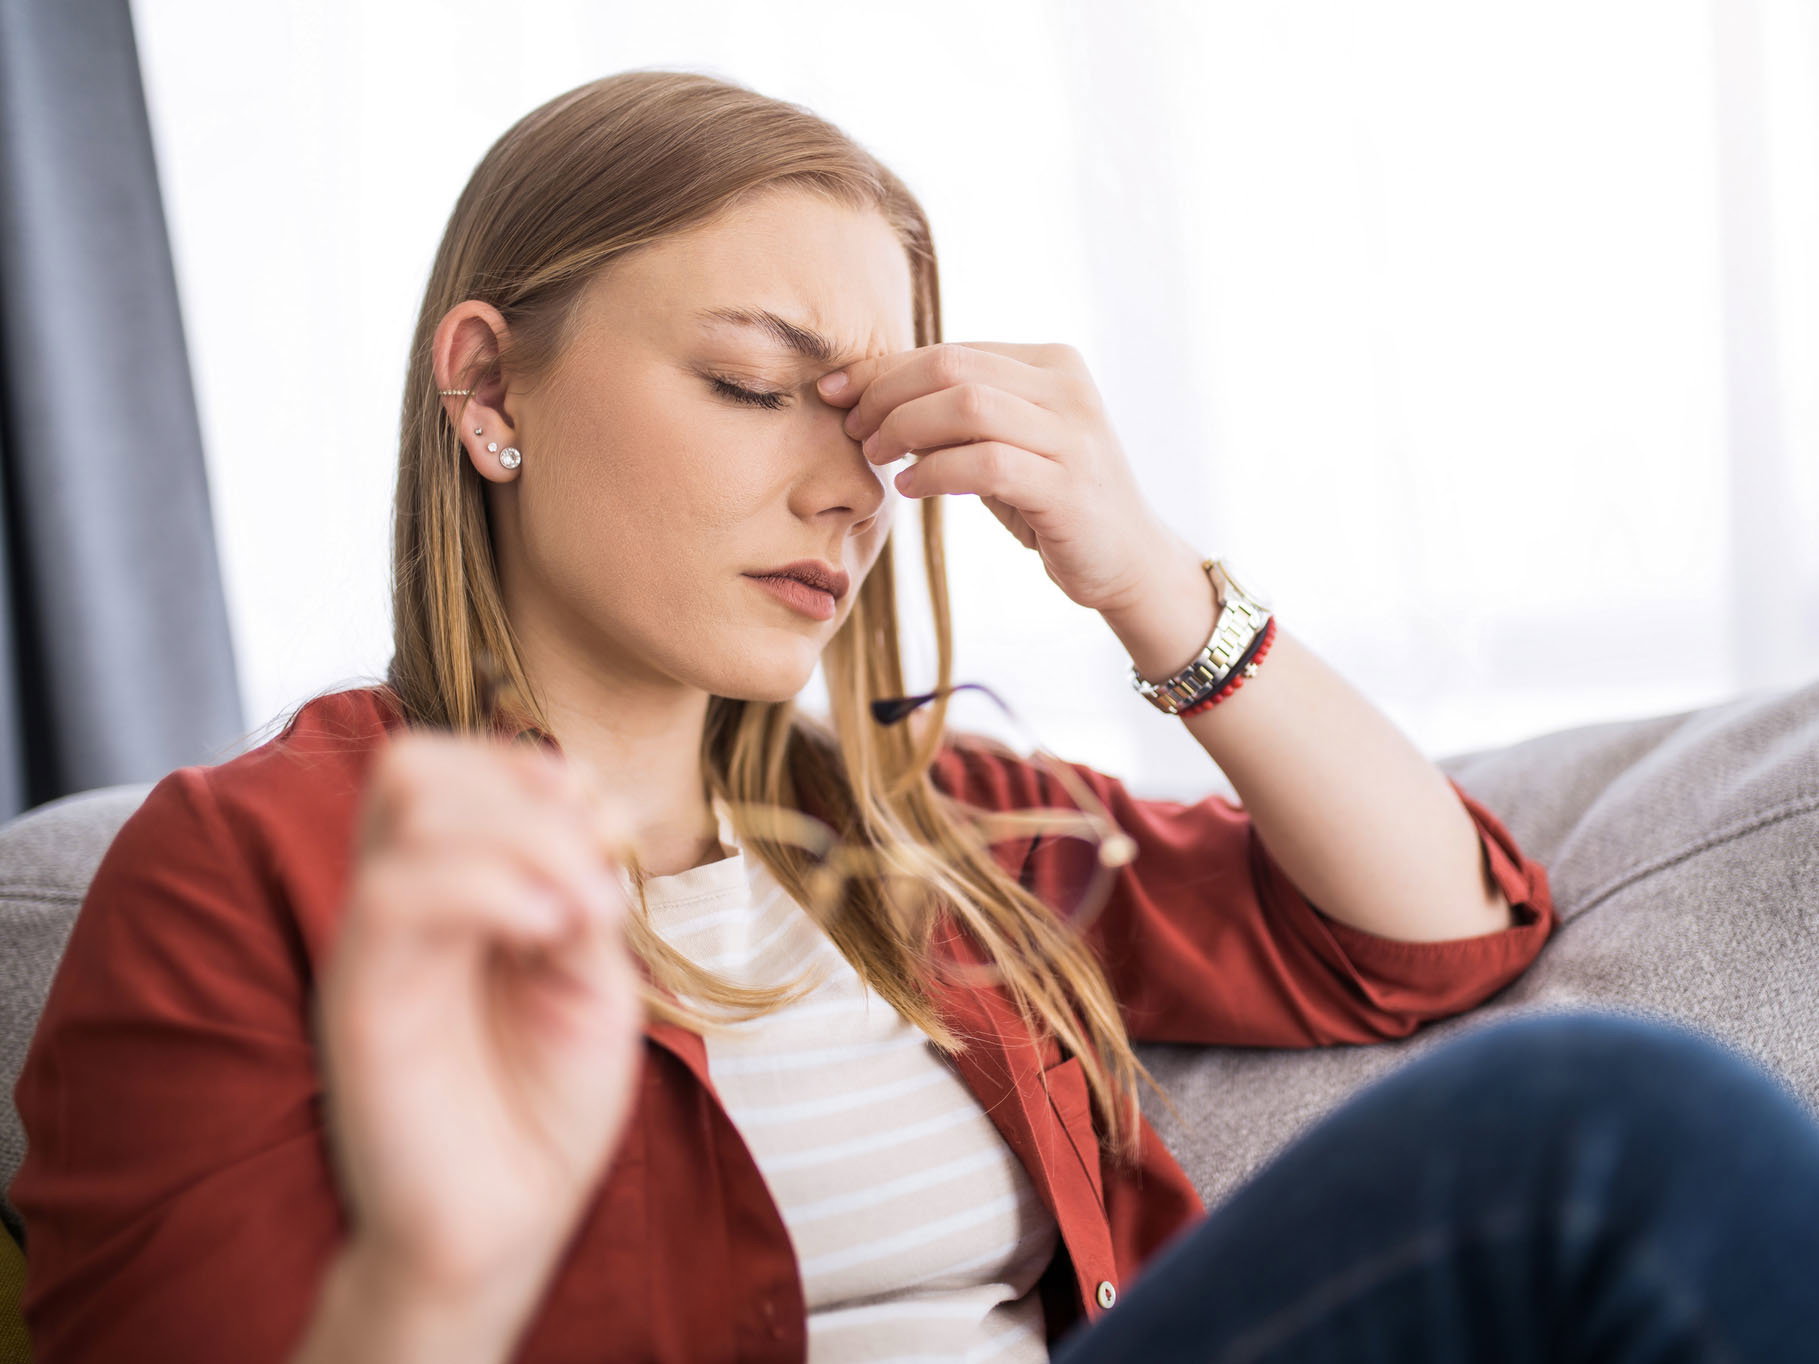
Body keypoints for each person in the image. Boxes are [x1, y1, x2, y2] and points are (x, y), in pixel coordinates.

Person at [10, 67, 1817, 1363]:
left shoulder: (918, 822)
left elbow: (1428, 937)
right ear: (489, 387)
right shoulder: (245, 870)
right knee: (1611, 1121)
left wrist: (1143, 571)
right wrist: (438, 1270)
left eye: (872, 427)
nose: (847, 495)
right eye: (749, 386)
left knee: (1606, 1130)